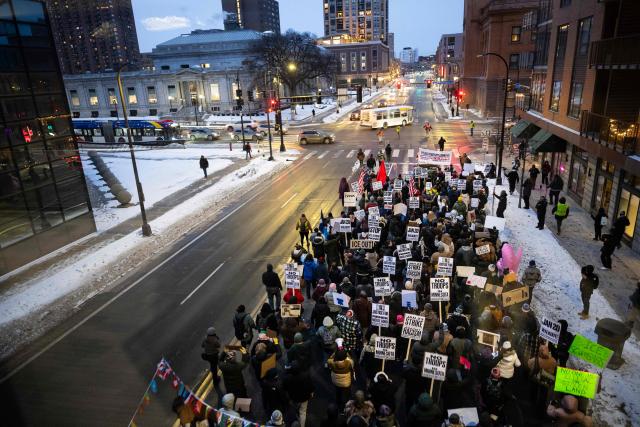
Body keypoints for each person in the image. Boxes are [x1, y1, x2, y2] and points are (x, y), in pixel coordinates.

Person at [282, 361, 314, 427]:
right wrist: (311, 393)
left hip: (294, 398)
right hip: (305, 398)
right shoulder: (306, 375)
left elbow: (284, 389)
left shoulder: (287, 378)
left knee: (294, 410)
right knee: (303, 413)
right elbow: (311, 386)